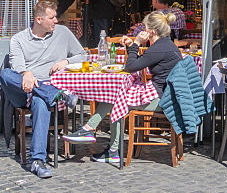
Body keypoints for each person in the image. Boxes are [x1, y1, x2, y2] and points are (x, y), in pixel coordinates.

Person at [64, 10, 183, 166]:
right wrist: (132, 45)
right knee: (117, 96)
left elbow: (130, 67)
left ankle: (106, 145)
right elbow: (140, 62)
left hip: (162, 100)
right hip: (165, 94)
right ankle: (94, 134)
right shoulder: (166, 45)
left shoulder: (159, 48)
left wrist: (136, 44)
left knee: (117, 99)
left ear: (152, 31)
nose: (142, 32)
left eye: (144, 28)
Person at [0, 0, 87, 179]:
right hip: (23, 88)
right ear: (39, 19)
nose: (56, 21)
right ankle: (57, 95)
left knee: (40, 101)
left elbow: (84, 55)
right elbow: (16, 64)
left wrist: (66, 61)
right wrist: (26, 73)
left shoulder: (62, 33)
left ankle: (37, 161)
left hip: (46, 86)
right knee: (6, 74)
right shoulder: (19, 39)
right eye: (52, 17)